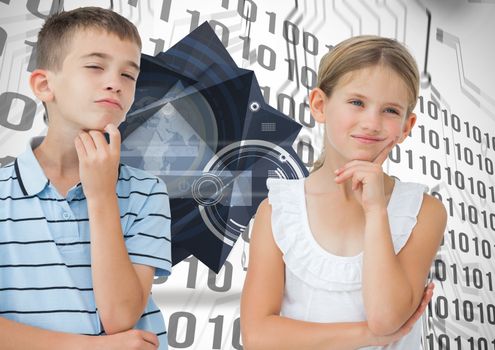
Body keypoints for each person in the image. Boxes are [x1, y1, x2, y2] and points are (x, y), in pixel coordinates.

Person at [240, 35, 447, 349]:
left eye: (390, 110)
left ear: (406, 126)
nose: (371, 122)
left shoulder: (424, 211)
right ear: (320, 105)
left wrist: (376, 211)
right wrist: (366, 336)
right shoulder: (278, 210)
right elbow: (258, 335)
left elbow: (386, 318)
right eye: (357, 102)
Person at [0, 7, 171, 350]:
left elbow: (121, 316)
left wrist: (102, 195)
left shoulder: (147, 191)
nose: (115, 83)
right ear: (44, 84)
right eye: (95, 66)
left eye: (129, 75)